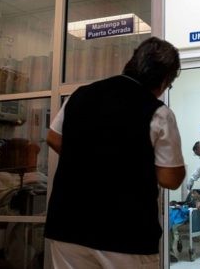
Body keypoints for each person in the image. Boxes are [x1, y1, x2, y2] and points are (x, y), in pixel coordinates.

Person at [45, 37, 186, 269]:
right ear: (163, 81)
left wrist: (88, 157)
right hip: (125, 233)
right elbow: (170, 179)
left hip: (67, 225)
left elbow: (53, 137)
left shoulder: (80, 95)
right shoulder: (158, 113)